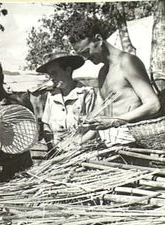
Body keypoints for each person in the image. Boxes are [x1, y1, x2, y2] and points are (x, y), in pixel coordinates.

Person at [68, 18, 160, 146]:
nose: (86, 58)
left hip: (133, 144)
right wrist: (80, 133)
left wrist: (115, 121)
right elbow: (103, 114)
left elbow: (153, 104)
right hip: (110, 145)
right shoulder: (102, 72)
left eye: (86, 52)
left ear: (98, 39)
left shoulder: (127, 62)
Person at [35, 50, 96, 155]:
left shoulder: (86, 93)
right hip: (56, 154)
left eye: (54, 73)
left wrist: (76, 143)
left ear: (67, 70)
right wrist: (52, 143)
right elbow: (46, 124)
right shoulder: (52, 95)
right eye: (49, 74)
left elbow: (95, 128)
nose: (51, 78)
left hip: (82, 153)